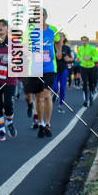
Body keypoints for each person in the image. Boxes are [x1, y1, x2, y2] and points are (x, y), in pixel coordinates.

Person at [25, 9, 63, 138]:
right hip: (35, 68)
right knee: (38, 97)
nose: (39, 17)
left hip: (49, 67)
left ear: (46, 16)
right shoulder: (30, 31)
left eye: (41, 14)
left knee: (46, 94)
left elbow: (58, 40)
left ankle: (47, 124)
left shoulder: (52, 29)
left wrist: (59, 51)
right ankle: (40, 124)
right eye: (36, 15)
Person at [77, 36, 98, 107]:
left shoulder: (92, 48)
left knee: (91, 84)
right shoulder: (80, 48)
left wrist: (90, 58)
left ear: (88, 41)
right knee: (84, 82)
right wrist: (79, 59)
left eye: (85, 40)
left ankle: (91, 96)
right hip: (83, 67)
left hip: (91, 68)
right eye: (82, 41)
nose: (84, 42)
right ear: (81, 41)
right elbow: (79, 57)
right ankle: (86, 100)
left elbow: (97, 58)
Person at [53, 33, 73, 113]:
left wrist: (69, 59)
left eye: (61, 36)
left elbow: (71, 59)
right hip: (54, 70)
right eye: (58, 36)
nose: (59, 37)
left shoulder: (67, 48)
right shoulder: (51, 47)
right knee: (55, 88)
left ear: (64, 38)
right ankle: (54, 95)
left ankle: (60, 105)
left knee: (62, 89)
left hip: (63, 69)